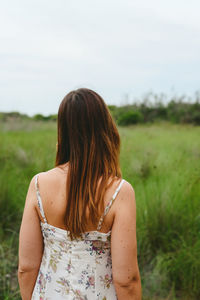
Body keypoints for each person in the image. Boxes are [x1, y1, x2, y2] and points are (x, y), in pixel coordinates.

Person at [18, 88, 141, 300]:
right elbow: (126, 281)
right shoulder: (119, 191)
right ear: (105, 129)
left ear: (62, 131)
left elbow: (26, 268)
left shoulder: (38, 184)